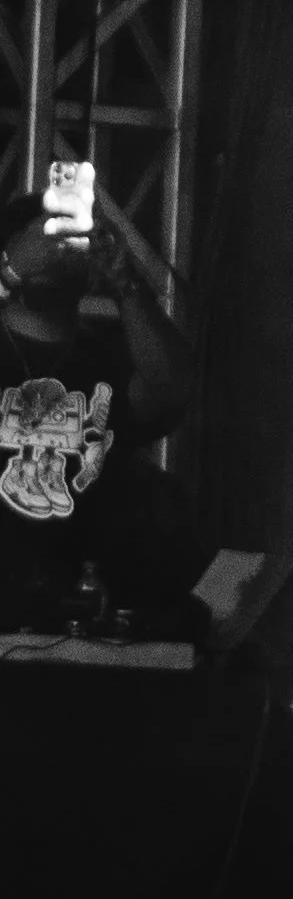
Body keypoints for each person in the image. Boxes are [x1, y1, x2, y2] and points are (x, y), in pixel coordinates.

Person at [0, 188, 195, 628]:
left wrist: (125, 281)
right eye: (42, 239)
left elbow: (172, 389)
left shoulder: (104, 357)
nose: (52, 253)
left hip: (77, 619)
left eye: (67, 243)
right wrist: (10, 272)